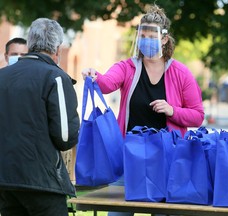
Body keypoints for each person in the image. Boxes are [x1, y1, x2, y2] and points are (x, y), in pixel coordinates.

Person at [82, 4, 204, 138]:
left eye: (152, 37)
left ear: (164, 39)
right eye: (142, 36)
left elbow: (198, 116)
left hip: (168, 153)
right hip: (131, 151)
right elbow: (107, 84)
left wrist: (172, 111)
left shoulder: (181, 73)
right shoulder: (127, 67)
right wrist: (94, 76)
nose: (146, 41)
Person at [0, 18, 80, 216]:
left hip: (6, 179)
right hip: (42, 182)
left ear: (31, 43)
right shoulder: (56, 77)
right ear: (57, 49)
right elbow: (64, 137)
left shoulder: (3, 76)